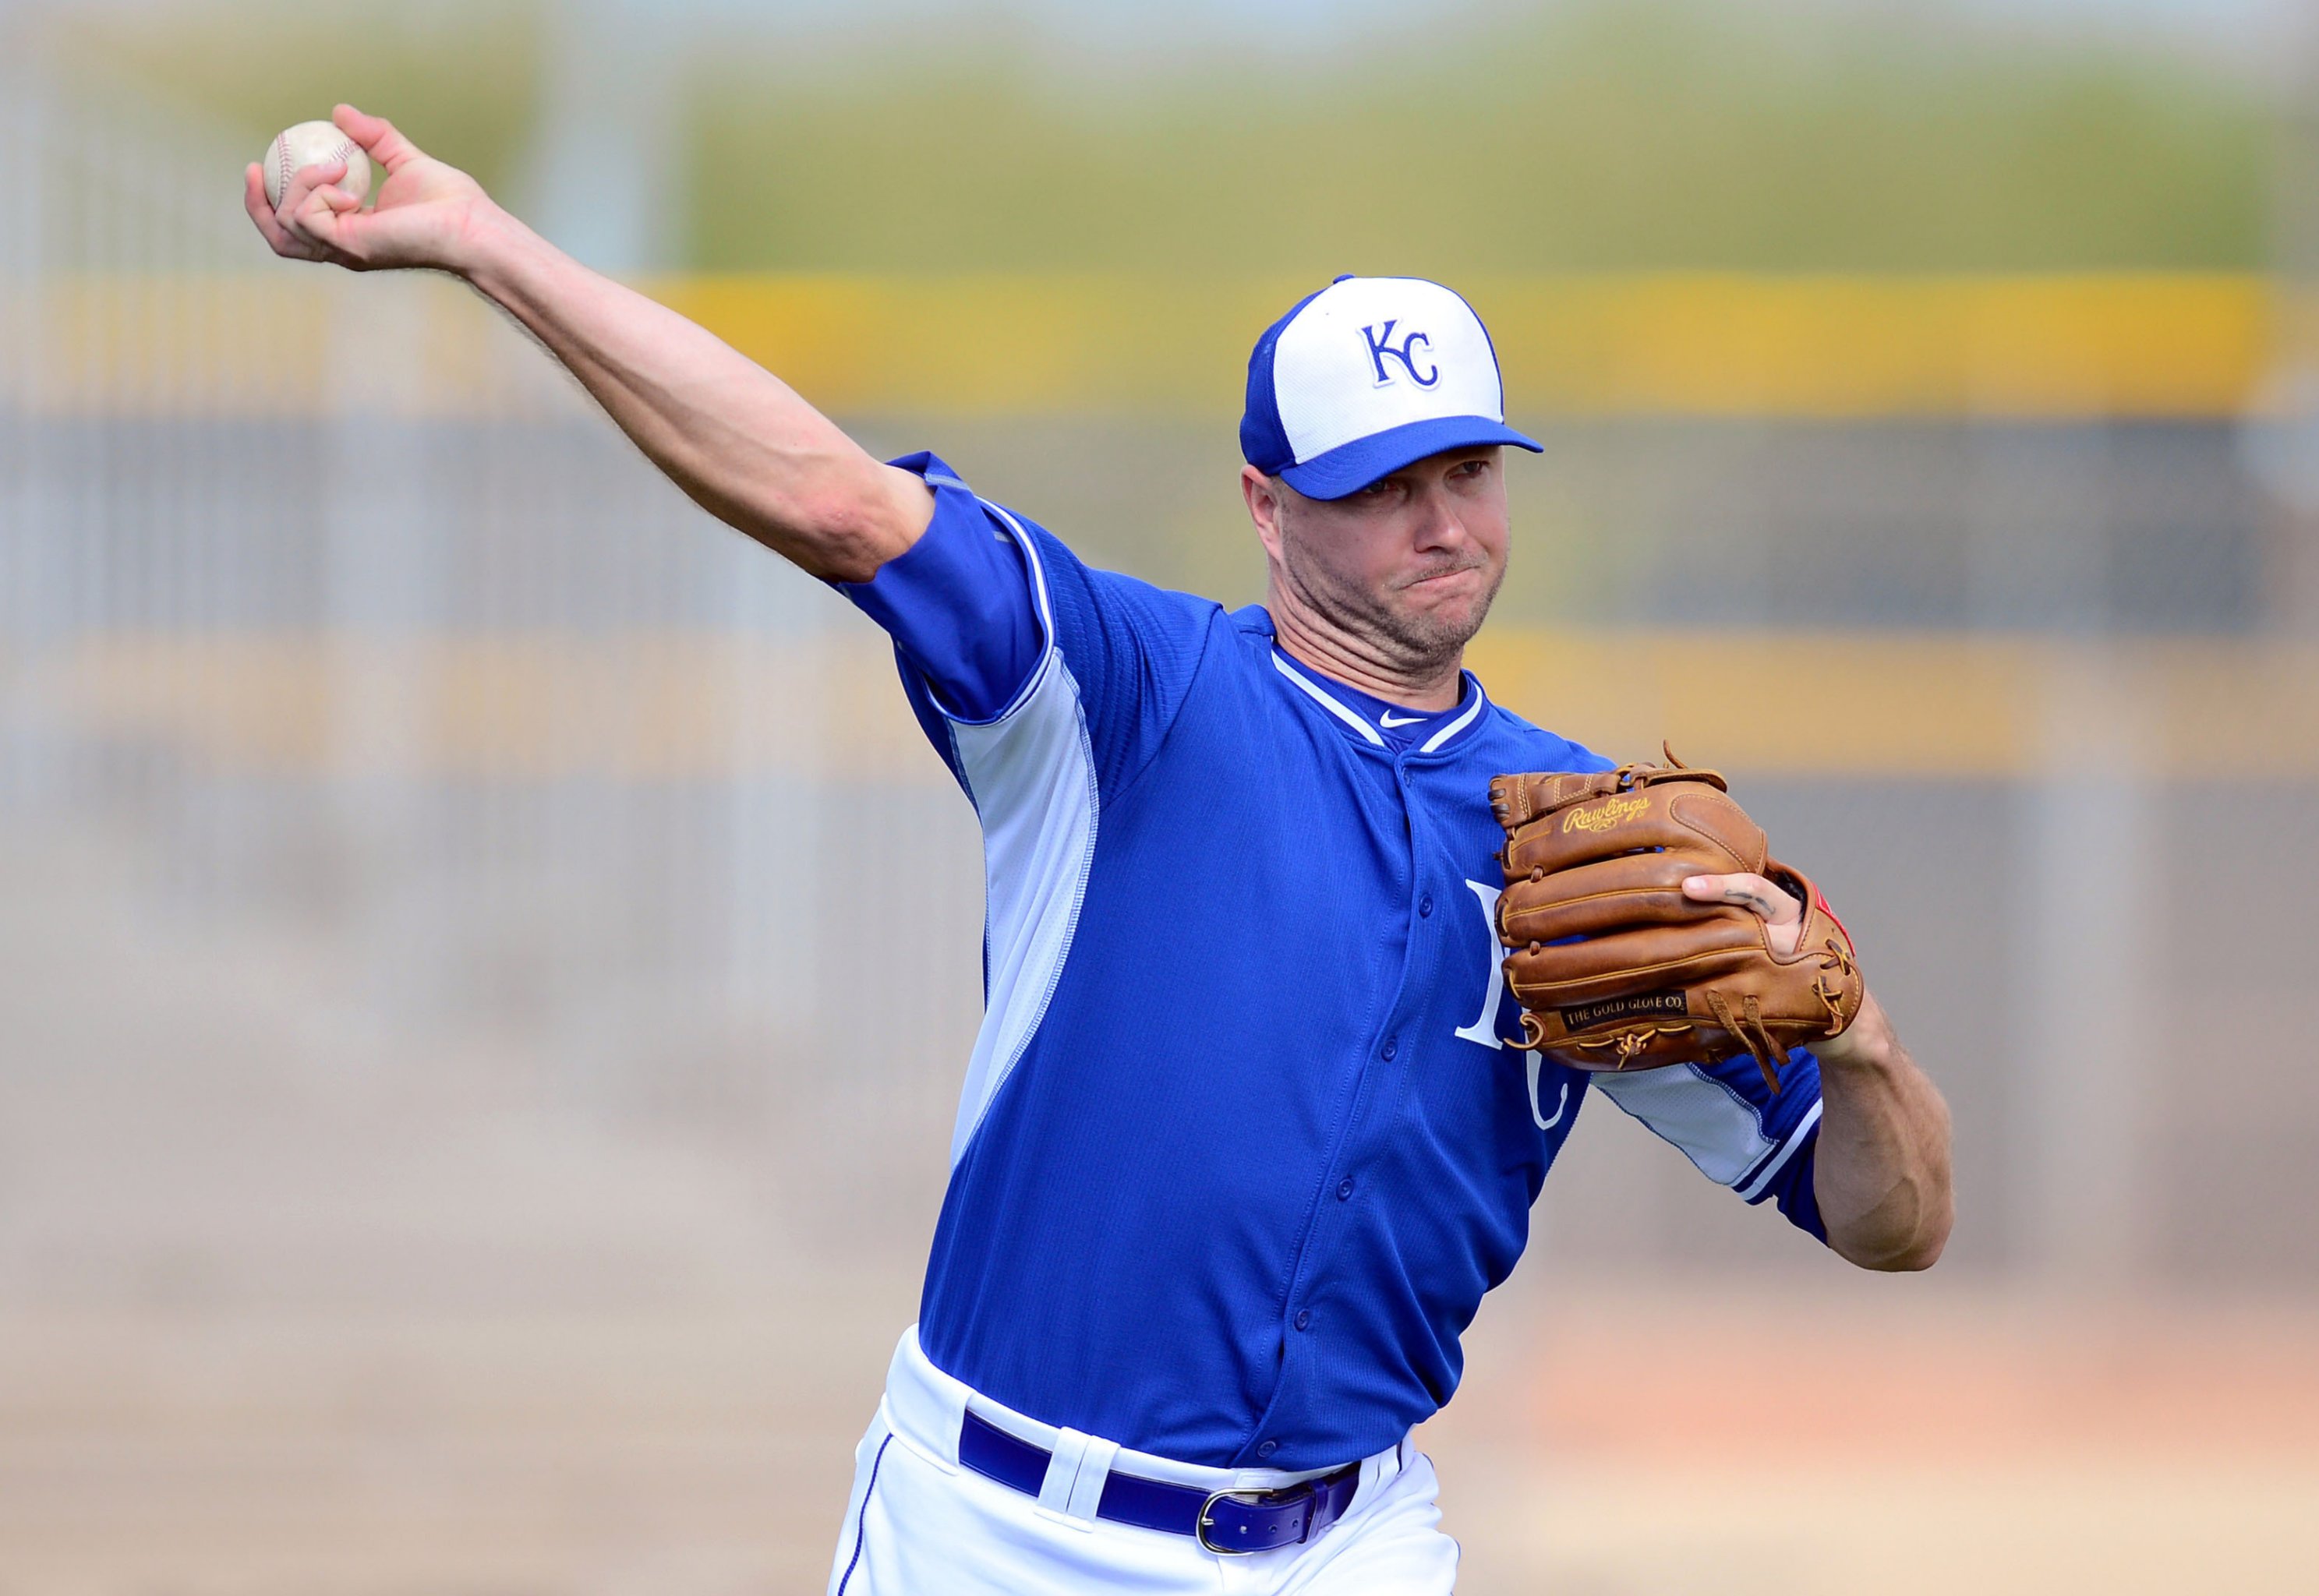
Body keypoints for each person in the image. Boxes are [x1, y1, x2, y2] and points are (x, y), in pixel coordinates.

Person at [248, 106, 1953, 1596]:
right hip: (999, 1531)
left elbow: (1890, 1226)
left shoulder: (1588, 847)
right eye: (1384, 482)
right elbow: (840, 503)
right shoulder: (1117, 698)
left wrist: (1862, 1046)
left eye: (1470, 470)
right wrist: (483, 246)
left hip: (1352, 1541)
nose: (1443, 518)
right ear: (1267, 505)